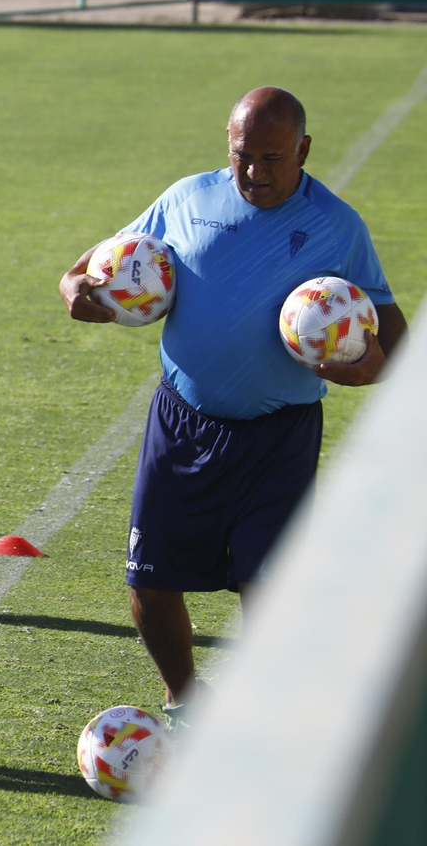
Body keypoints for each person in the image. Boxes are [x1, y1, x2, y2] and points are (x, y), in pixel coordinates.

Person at [59, 86, 408, 727]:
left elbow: (396, 340)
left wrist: (371, 369)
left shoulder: (338, 227)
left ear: (303, 150)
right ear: (228, 142)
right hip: (182, 423)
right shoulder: (187, 199)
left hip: (279, 435)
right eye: (243, 155)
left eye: (272, 158)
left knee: (268, 590)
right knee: (149, 582)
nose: (254, 172)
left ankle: (268, 720)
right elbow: (87, 267)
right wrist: (74, 288)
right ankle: (186, 704)